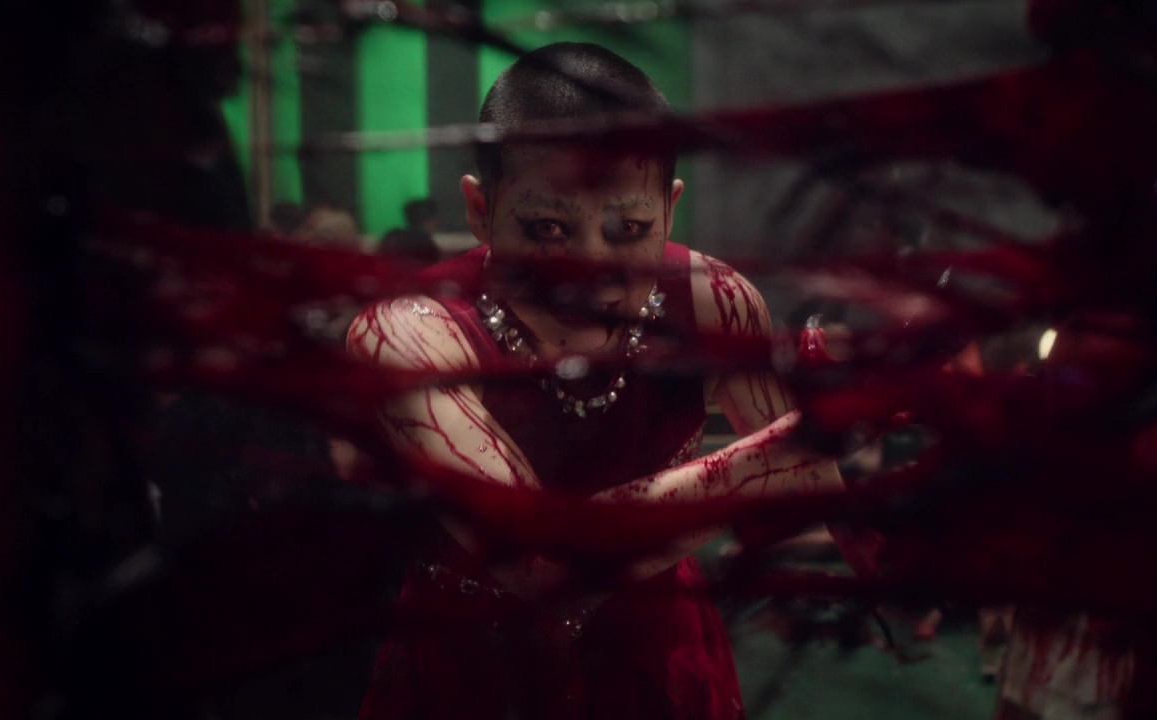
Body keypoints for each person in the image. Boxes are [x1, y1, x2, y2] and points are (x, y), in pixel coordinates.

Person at [348, 43, 864, 719]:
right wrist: (804, 440)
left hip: (662, 660)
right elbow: (541, 564)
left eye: (629, 228)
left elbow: (812, 491)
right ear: (481, 209)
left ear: (669, 210)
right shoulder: (407, 332)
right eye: (547, 227)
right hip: (470, 673)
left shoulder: (713, 299)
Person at [378, 197, 441, 264]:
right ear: (427, 221)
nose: (438, 224)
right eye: (435, 219)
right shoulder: (427, 246)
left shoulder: (392, 237)